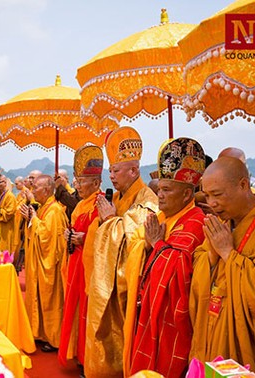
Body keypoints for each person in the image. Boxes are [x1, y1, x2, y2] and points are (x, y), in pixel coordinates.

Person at [189, 157, 255, 377]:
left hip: (249, 348)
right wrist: (211, 255)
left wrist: (228, 254)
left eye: (217, 195)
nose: (211, 203)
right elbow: (198, 264)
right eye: (207, 195)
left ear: (243, 185)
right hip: (211, 330)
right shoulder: (220, 224)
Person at [124, 137, 207, 378]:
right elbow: (137, 244)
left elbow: (178, 272)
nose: (159, 196)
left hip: (172, 320)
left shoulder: (195, 222)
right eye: (159, 189)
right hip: (150, 310)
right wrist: (148, 246)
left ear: (186, 194)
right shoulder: (161, 218)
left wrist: (156, 244)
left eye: (167, 190)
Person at [86, 126, 158, 378]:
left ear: (134, 170)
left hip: (129, 286)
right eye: (111, 171)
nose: (112, 176)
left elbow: (137, 238)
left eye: (115, 171)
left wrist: (111, 220)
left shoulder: (148, 199)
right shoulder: (117, 196)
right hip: (108, 280)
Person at [58, 145, 103, 371]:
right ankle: (77, 352)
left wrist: (86, 238)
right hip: (76, 262)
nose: (77, 186)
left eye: (81, 181)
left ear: (95, 183)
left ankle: (88, 360)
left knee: (86, 311)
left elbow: (105, 234)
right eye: (76, 181)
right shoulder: (81, 204)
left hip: (90, 268)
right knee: (75, 309)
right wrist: (70, 236)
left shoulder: (100, 203)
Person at [20, 174, 68, 352]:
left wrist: (32, 219)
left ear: (47, 190)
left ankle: (53, 337)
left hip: (50, 264)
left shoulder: (54, 210)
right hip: (39, 261)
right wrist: (30, 218)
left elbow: (47, 238)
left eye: (36, 188)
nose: (33, 191)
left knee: (50, 299)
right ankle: (41, 332)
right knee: (39, 296)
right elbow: (38, 230)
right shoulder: (43, 208)